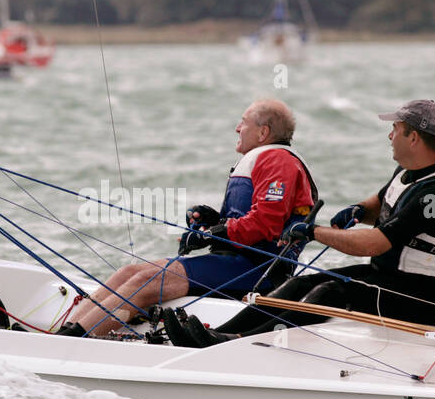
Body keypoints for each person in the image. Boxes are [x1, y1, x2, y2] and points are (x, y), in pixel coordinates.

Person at [164, 99, 435, 347]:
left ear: (413, 137)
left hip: (418, 298)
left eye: (395, 128)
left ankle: (239, 341)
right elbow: (383, 202)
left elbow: (375, 242)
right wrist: (357, 210)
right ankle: (216, 336)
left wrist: (314, 232)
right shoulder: (412, 171)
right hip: (389, 279)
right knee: (300, 283)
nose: (389, 135)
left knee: (328, 293)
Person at [56, 98, 317, 338]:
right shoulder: (264, 158)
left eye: (243, 122)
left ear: (263, 133)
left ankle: (77, 339)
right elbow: (247, 219)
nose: (237, 128)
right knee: (129, 272)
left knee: (143, 283)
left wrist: (215, 232)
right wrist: (212, 220)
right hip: (233, 262)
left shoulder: (278, 161)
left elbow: (265, 225)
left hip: (256, 271)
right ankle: (63, 332)